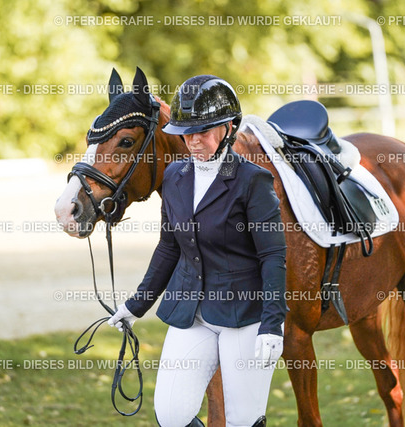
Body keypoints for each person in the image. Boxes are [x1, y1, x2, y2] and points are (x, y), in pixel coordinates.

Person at [108, 75, 287, 427]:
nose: (193, 141)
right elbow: (168, 247)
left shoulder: (252, 180)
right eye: (186, 133)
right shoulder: (174, 175)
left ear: (228, 128)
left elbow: (272, 256)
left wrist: (272, 323)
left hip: (244, 314)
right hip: (191, 312)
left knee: (243, 421)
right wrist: (135, 305)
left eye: (202, 132)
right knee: (171, 415)